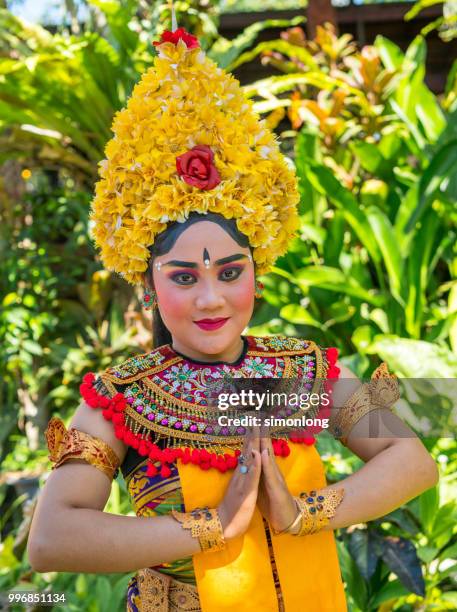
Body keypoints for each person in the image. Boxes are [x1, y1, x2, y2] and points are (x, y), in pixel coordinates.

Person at [27, 23, 439, 612]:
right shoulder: (123, 397)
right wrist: (211, 525)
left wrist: (304, 512)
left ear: (257, 271)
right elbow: (51, 538)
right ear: (149, 285)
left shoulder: (295, 373)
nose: (211, 301)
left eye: (229, 271)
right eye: (184, 277)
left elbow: (412, 461)